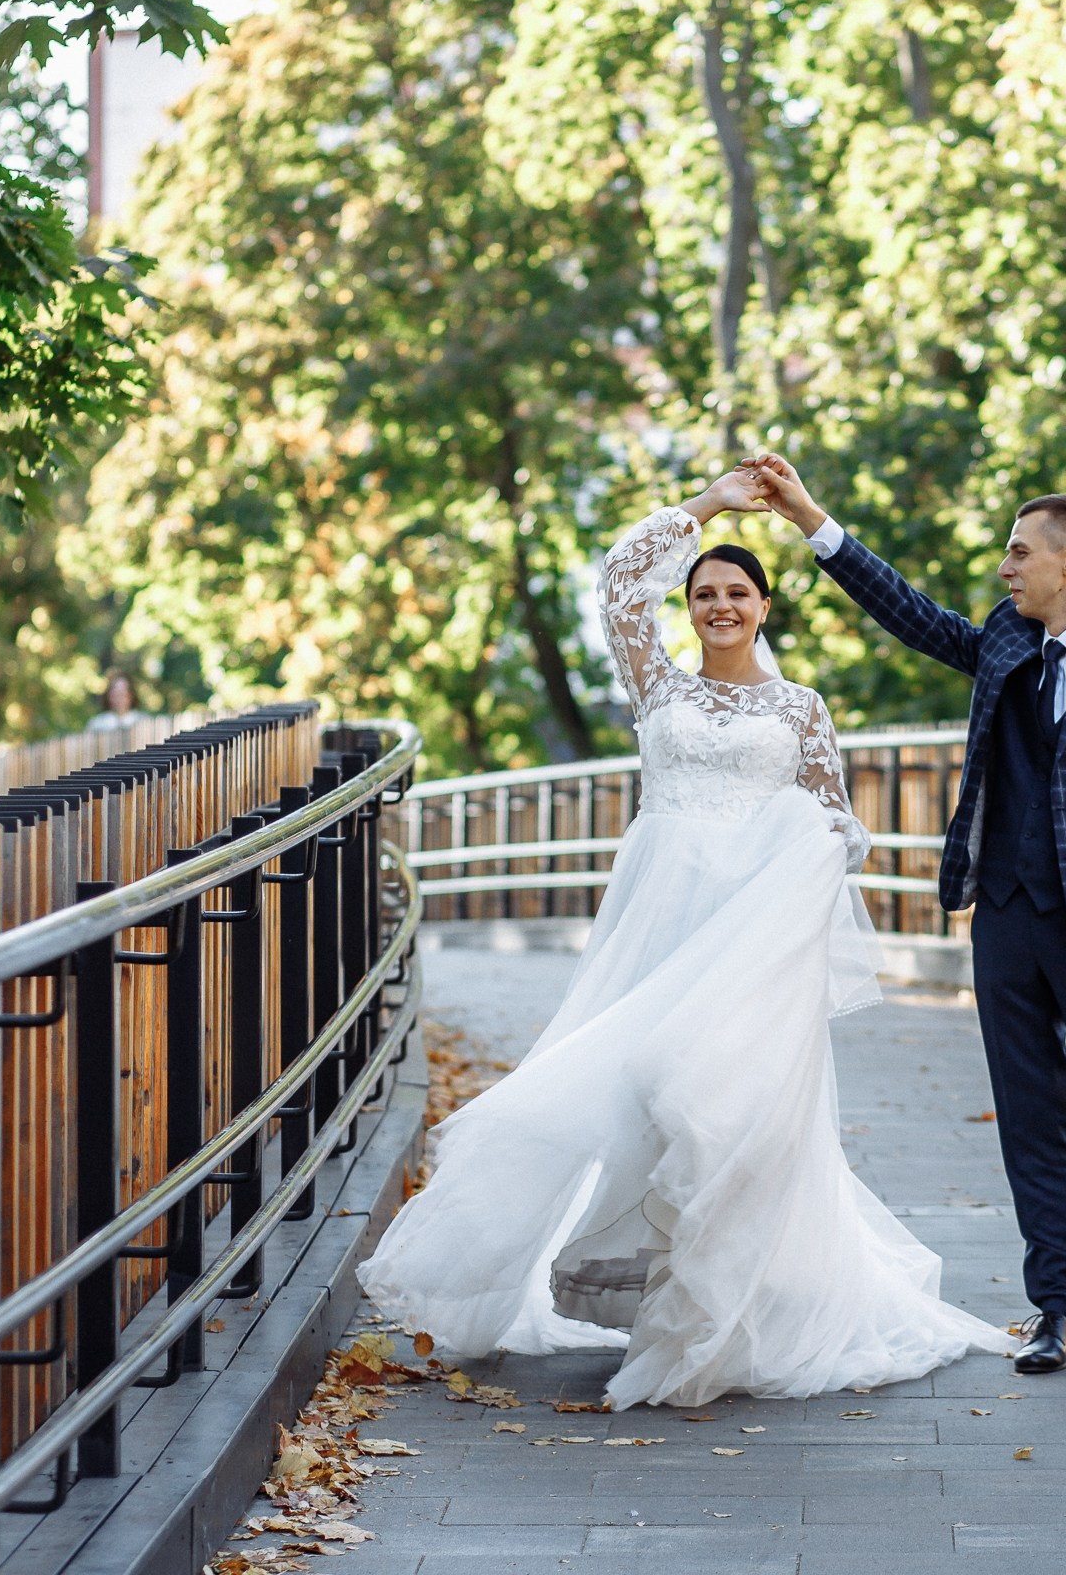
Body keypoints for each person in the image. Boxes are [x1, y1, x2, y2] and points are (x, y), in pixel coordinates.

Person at [358, 467, 1010, 1408]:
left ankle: (706, 1327)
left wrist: (797, 873)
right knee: (634, 1096)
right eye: (703, 593)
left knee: (711, 1106)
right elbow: (621, 580)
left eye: (737, 592)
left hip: (747, 943)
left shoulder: (800, 712)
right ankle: (662, 1297)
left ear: (765, 606)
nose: (718, 606)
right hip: (655, 927)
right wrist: (710, 502)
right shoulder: (654, 681)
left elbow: (838, 830)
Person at [746, 451, 1066, 1381]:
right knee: (1030, 1120)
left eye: (1019, 553)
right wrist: (812, 521)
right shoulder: (1005, 641)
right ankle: (1058, 1310)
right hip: (1007, 922)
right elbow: (910, 614)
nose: (1004, 568)